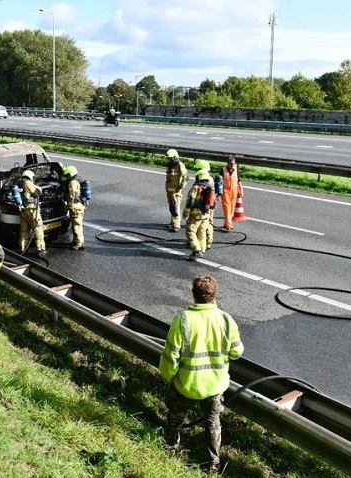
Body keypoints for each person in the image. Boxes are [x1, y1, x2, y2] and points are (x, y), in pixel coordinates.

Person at [159, 274, 244, 473]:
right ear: (215, 295)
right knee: (213, 423)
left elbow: (171, 356)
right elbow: (237, 351)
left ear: (193, 294)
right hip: (214, 386)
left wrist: (169, 376)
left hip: (186, 385)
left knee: (176, 417)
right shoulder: (225, 319)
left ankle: (170, 447)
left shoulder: (183, 320)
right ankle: (213, 463)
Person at [182, 170, 215, 260]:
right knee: (202, 232)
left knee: (190, 231)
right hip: (206, 215)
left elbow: (190, 202)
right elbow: (212, 203)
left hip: (195, 215)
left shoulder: (196, 187)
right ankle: (202, 249)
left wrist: (185, 213)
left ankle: (196, 250)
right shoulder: (210, 188)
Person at [18, 169, 46, 257]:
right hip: (32, 210)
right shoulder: (28, 183)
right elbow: (36, 193)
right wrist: (38, 188)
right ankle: (40, 249)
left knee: (24, 230)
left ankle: (23, 248)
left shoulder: (20, 184)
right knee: (38, 228)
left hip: (24, 210)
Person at [192, 159, 215, 251]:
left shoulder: (205, 178)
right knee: (206, 221)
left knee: (206, 222)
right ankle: (207, 241)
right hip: (210, 204)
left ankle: (206, 241)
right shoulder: (210, 177)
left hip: (206, 204)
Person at [63, 165, 87, 250]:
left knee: (77, 225)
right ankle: (76, 241)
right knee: (75, 224)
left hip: (75, 206)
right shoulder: (77, 181)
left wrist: (69, 204)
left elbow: (72, 195)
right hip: (79, 205)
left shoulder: (72, 183)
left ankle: (79, 244)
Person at [165, 149, 188, 232]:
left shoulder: (180, 165)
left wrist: (181, 186)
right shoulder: (170, 166)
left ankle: (176, 225)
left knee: (176, 207)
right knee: (171, 206)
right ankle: (172, 222)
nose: (169, 160)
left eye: (170, 158)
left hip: (176, 190)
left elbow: (185, 176)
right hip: (169, 190)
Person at [219, 156, 243, 231]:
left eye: (233, 163)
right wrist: (218, 192)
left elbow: (238, 180)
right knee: (227, 207)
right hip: (225, 191)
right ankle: (229, 225)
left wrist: (241, 189)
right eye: (231, 164)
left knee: (232, 208)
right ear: (227, 163)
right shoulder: (223, 170)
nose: (232, 165)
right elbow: (219, 182)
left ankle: (226, 223)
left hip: (234, 191)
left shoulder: (236, 170)